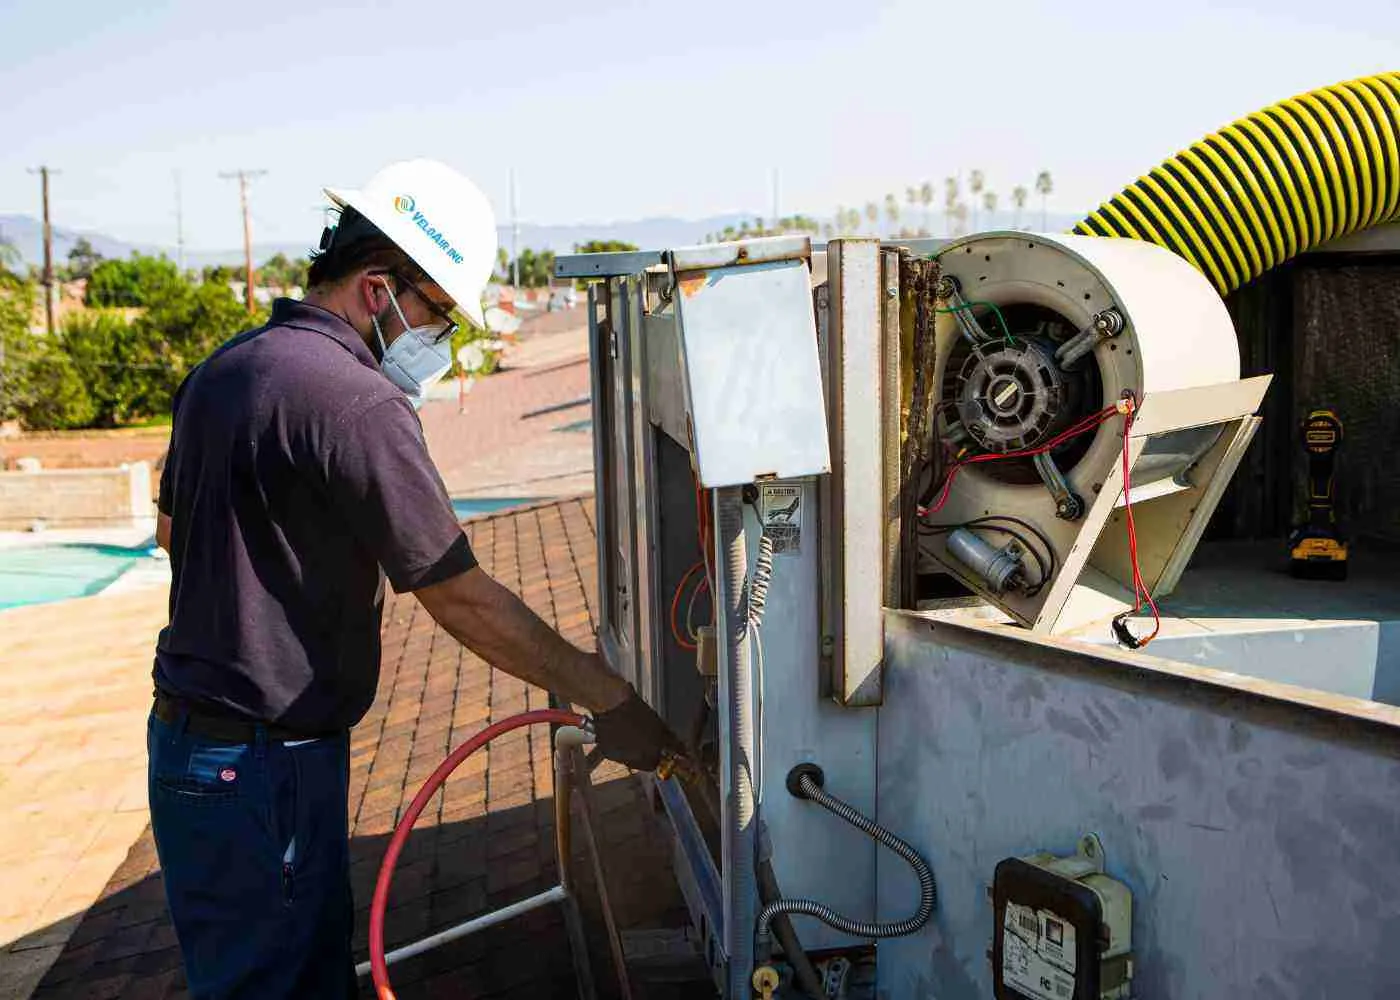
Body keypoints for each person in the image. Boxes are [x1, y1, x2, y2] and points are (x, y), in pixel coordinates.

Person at [148, 158, 683, 998]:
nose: (439, 338)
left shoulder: (227, 368)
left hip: (191, 753)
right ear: (375, 288)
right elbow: (458, 595)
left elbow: (172, 531)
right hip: (262, 766)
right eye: (437, 312)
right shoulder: (354, 403)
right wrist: (606, 694)